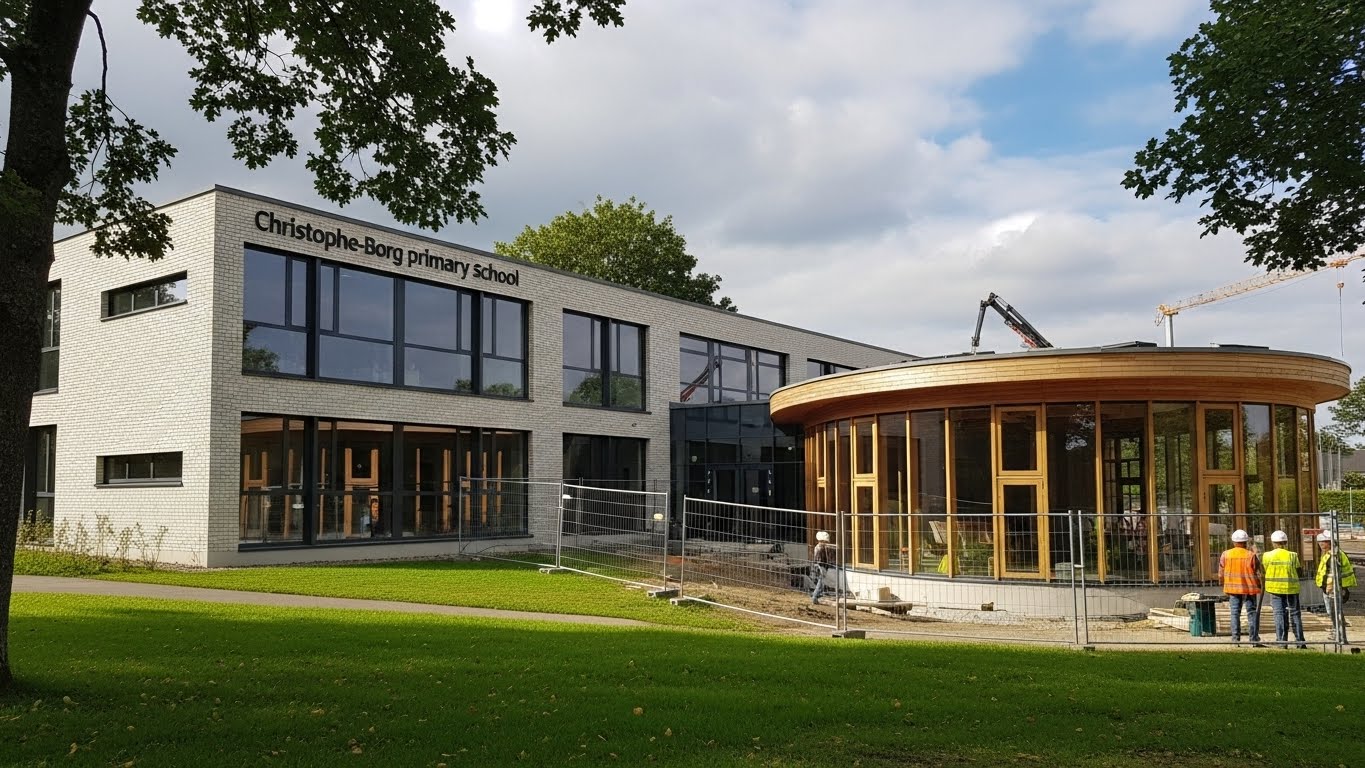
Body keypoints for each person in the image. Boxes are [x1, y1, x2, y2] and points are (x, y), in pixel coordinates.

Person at [1262, 529, 1307, 649]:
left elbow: (1266, 569)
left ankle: (1282, 642)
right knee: (1295, 614)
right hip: (1291, 589)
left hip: (1275, 589)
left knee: (1279, 614)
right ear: (1286, 542)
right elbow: (1299, 571)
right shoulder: (1293, 555)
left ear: (1273, 542)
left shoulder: (1267, 555)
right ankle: (1300, 642)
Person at [1218, 529, 1263, 646]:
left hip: (1233, 588)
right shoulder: (1251, 555)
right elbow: (1258, 573)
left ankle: (1235, 640)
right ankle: (1253, 640)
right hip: (1250, 588)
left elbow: (1220, 573)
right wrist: (1259, 585)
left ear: (1233, 542)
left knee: (1234, 613)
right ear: (1246, 542)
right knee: (1252, 613)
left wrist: (1223, 583)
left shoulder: (1226, 554)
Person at [1315, 531, 1356, 643]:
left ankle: (1338, 633)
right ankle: (1338, 632)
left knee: (1334, 611)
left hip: (1334, 587)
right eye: (1319, 542)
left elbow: (1332, 572)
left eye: (1322, 542)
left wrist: (1329, 586)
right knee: (1334, 611)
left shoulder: (1334, 555)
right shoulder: (1330, 553)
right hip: (1333, 586)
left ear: (1329, 542)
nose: (1320, 544)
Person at [811, 530, 836, 604]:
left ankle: (817, 595)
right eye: (825, 542)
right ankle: (815, 596)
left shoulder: (820, 547)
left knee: (821, 582)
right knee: (820, 582)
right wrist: (822, 569)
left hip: (821, 567)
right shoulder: (820, 548)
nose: (827, 543)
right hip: (821, 567)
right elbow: (819, 561)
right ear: (821, 541)